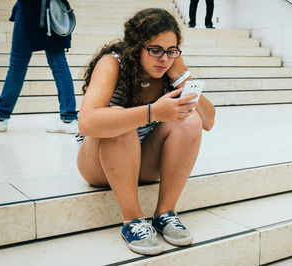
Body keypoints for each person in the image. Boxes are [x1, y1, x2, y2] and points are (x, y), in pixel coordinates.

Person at [76, 8, 215, 255]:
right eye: (155, 50)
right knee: (122, 120)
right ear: (135, 48)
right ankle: (133, 221)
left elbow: (208, 121)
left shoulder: (171, 68)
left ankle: (165, 214)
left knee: (190, 119)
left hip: (143, 161)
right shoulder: (112, 63)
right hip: (99, 164)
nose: (164, 58)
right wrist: (152, 112)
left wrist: (183, 77)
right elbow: (86, 122)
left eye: (171, 50)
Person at [0, 0, 78, 133]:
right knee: (59, 64)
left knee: (18, 63)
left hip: (32, 8)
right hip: (55, 10)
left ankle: (0, 116)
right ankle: (68, 118)